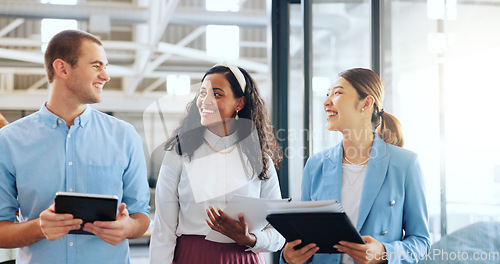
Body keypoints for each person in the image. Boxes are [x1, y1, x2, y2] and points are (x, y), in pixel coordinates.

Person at [0, 29, 150, 264]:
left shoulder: (125, 136)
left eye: (105, 66)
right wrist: (40, 227)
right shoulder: (8, 140)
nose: (105, 76)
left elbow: (141, 216)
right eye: (96, 65)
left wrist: (128, 227)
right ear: (63, 68)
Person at [281, 68, 430, 264]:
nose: (326, 102)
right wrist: (289, 257)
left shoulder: (405, 164)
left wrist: (384, 252)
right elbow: (308, 242)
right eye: (327, 94)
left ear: (366, 103)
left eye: (337, 93)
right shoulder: (315, 165)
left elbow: (421, 242)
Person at [149, 63, 285, 263]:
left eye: (217, 94)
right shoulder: (179, 152)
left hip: (244, 257)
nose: (205, 101)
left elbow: (278, 233)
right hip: (193, 257)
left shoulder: (260, 158)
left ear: (239, 103)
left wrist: (250, 238)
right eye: (202, 93)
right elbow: (163, 227)